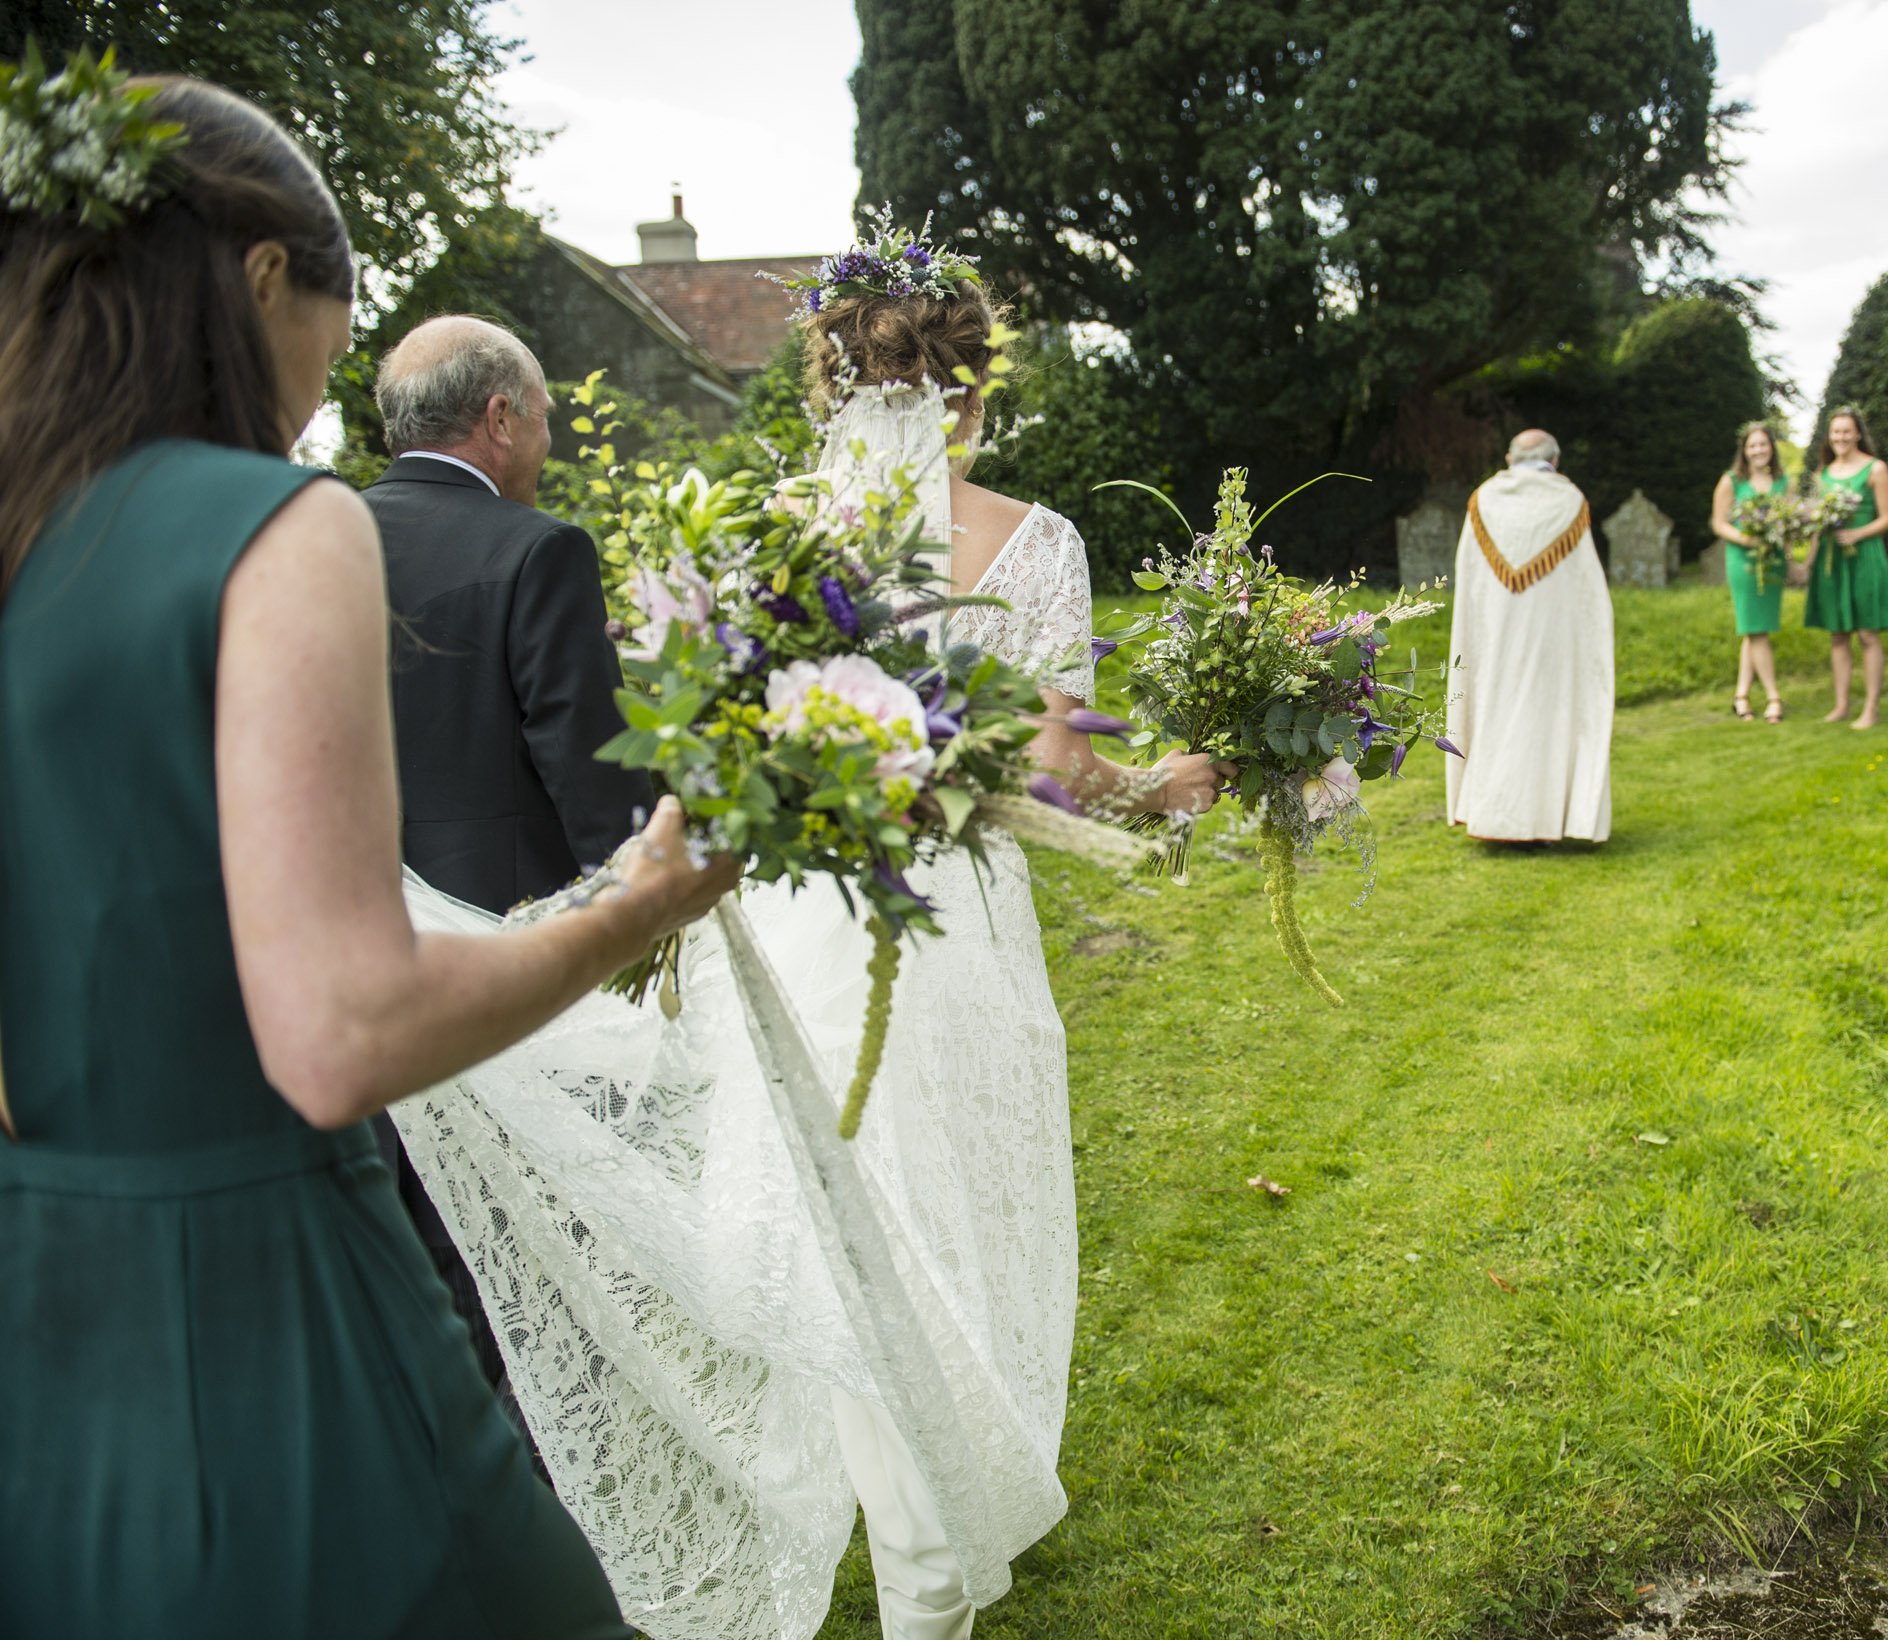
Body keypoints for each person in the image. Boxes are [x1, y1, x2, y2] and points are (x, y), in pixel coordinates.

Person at [387, 223, 1232, 1640]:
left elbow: (705, 735)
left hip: (787, 917)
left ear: (827, 379)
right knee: (930, 1229)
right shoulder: (1035, 543)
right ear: (968, 391)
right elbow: (1060, 765)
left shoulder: (770, 531)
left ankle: (855, 1519)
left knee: (808, 1220)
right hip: (943, 922)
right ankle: (927, 1568)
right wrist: (1168, 784)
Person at [0, 62, 736, 1639]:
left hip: (41, 1339)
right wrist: (643, 900)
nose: (321, 394)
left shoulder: (19, 531)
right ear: (265, 278)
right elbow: (340, 1035)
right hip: (268, 1317)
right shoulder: (273, 523)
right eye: (326, 342)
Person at [361, 314, 653, 1411]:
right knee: (532, 1260)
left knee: (412, 1243)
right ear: (497, 416)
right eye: (542, 415)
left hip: (351, 947)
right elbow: (590, 770)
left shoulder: (314, 535)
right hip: (512, 952)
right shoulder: (538, 549)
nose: (548, 439)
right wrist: (641, 923)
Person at [1444, 429, 1615, 842]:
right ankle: (1547, 820)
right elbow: (1586, 583)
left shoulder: (1483, 498)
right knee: (1550, 715)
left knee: (1494, 708)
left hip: (1494, 633)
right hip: (1554, 635)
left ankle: (1492, 816)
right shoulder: (1569, 499)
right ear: (1555, 460)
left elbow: (1471, 581)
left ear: (1508, 458)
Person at [1801, 407, 1888, 729]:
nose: (1840, 438)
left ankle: (1871, 708)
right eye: (1835, 432)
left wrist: (1857, 532)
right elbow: (1818, 524)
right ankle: (1841, 704)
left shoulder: (1876, 469)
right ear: (1829, 437)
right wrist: (1810, 561)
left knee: (1868, 634)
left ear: (1858, 433)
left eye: (1846, 431)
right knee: (1837, 634)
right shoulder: (1823, 474)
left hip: (1865, 555)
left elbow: (1887, 518)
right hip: (1832, 558)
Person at [1708, 420, 1791, 722]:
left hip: (1773, 561)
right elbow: (1718, 522)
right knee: (1756, 629)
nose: (1758, 450)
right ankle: (1773, 697)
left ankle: (1741, 695)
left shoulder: (1783, 482)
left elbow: (1789, 520)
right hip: (1743, 561)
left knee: (1755, 629)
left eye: (1763, 444)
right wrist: (1745, 537)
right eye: (1752, 445)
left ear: (1772, 447)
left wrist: (1791, 555)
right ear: (1744, 450)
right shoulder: (1732, 481)